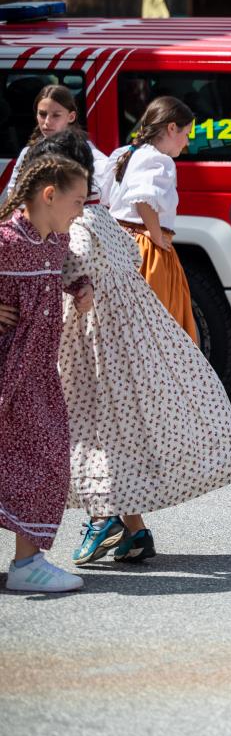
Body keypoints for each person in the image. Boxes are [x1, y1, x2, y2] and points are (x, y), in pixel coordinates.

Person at [16, 131, 231, 566]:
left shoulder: (73, 225)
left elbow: (76, 262)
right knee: (113, 429)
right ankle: (134, 528)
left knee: (89, 427)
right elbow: (129, 252)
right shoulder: (101, 215)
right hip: (135, 334)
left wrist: (75, 281)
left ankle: (103, 517)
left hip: (94, 339)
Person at [0, 154, 91, 592]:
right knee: (35, 459)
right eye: (77, 202)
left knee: (45, 459)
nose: (81, 211)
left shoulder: (55, 241)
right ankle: (27, 565)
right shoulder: (5, 240)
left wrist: (81, 286)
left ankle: (27, 561)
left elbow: (66, 268)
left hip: (38, 373)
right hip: (7, 372)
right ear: (49, 195)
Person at [108, 96, 198, 342]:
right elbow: (143, 199)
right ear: (172, 128)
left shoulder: (130, 153)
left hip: (122, 245)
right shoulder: (159, 160)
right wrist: (156, 235)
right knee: (157, 330)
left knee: (131, 328)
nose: (187, 142)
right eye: (186, 134)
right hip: (146, 251)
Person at [1, 84, 107, 207]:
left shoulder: (87, 152)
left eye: (56, 115)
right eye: (42, 114)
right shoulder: (27, 152)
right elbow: (13, 194)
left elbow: (105, 189)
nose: (47, 122)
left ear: (71, 117)